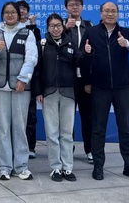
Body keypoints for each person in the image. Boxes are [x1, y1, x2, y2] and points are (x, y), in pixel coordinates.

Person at [81, 2, 129, 182]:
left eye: (113, 11)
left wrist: (127, 43)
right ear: (101, 13)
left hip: (122, 87)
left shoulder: (125, 32)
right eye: (107, 11)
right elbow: (81, 58)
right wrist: (86, 59)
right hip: (99, 87)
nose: (110, 14)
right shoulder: (91, 32)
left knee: (125, 128)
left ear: (117, 14)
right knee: (98, 128)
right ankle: (98, 166)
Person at [33, 14, 89, 182]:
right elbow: (37, 70)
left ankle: (67, 167)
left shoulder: (71, 43)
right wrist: (38, 91)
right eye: (52, 26)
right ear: (48, 27)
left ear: (63, 27)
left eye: (58, 25)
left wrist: (87, 53)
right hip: (49, 92)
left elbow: (81, 62)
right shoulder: (42, 45)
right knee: (52, 133)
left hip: (69, 93)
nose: (55, 29)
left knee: (66, 133)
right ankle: (56, 168)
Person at [0, 1, 38, 181]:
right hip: (0, 87)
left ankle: (21, 166)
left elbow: (31, 58)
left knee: (19, 127)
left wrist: (23, 79)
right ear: (2, 15)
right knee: (3, 128)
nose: (9, 15)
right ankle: (4, 167)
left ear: (18, 14)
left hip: (20, 88)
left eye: (12, 12)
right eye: (6, 12)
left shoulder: (27, 33)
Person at [63, 0, 94, 164]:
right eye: (71, 5)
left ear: (82, 7)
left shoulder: (89, 26)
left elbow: (94, 53)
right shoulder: (60, 25)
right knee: (67, 117)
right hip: (67, 78)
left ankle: (90, 149)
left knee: (87, 116)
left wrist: (90, 79)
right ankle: (68, 149)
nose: (74, 7)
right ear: (66, 8)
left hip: (85, 78)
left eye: (77, 5)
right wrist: (65, 29)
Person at [17, 0, 42, 159]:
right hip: (13, 77)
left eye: (24, 9)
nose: (22, 11)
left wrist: (32, 25)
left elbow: (37, 47)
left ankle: (30, 147)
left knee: (30, 115)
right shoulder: (7, 28)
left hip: (30, 77)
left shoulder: (33, 29)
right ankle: (16, 146)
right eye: (19, 9)